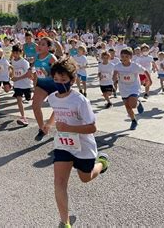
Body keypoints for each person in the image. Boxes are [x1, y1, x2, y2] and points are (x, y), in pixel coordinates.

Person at [44, 57, 109, 228]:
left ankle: (101, 163)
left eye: (63, 80)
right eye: (56, 80)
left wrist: (69, 127)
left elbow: (92, 128)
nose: (59, 83)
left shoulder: (80, 101)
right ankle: (64, 222)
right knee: (59, 182)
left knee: (85, 178)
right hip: (63, 145)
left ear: (72, 80)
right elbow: (57, 111)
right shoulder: (52, 97)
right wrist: (49, 124)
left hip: (83, 146)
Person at [113, 48, 151, 130]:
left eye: (126, 56)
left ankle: (138, 103)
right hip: (123, 88)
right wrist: (114, 80)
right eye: (122, 56)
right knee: (128, 107)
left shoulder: (135, 66)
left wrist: (150, 81)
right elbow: (115, 75)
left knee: (133, 105)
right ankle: (134, 121)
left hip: (134, 87)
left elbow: (145, 71)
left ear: (130, 57)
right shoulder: (117, 66)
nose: (124, 58)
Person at [31, 37, 57, 141]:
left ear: (48, 47)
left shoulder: (51, 58)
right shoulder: (37, 56)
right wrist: (30, 72)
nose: (39, 46)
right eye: (39, 44)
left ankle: (49, 125)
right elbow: (33, 67)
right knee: (35, 106)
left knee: (58, 108)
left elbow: (58, 73)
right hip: (41, 85)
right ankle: (42, 128)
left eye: (43, 44)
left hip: (54, 85)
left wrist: (49, 73)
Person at [11, 45, 33, 126]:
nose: (15, 54)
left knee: (28, 99)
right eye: (14, 53)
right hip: (17, 85)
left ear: (21, 53)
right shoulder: (12, 61)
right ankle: (23, 117)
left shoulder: (24, 62)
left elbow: (28, 74)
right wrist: (12, 76)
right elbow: (12, 70)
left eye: (17, 53)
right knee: (19, 100)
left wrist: (18, 78)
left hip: (26, 85)